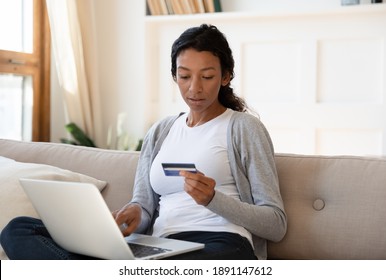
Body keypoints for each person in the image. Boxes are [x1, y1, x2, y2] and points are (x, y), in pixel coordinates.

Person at [0, 24, 287, 260]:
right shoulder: (161, 130)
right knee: (19, 229)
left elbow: (275, 224)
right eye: (184, 76)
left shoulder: (243, 127)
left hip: (220, 246)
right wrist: (135, 212)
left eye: (207, 76)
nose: (194, 88)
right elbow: (144, 204)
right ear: (174, 76)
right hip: (158, 246)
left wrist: (214, 200)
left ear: (225, 77)